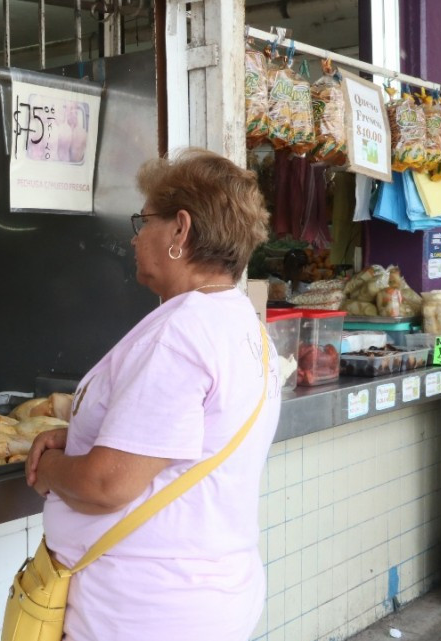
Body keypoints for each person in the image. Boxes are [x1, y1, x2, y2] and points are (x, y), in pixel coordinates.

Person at [25, 148, 282, 641]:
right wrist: (80, 439)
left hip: (146, 613)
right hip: (206, 598)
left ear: (180, 230)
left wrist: (49, 469)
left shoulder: (182, 334)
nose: (136, 237)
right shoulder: (240, 325)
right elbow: (174, 449)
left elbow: (107, 485)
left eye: (143, 222)